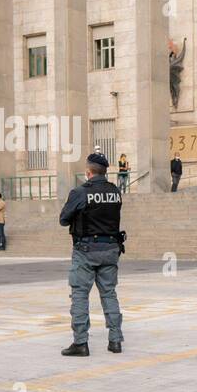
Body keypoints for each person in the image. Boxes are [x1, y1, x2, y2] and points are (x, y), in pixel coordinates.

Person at [58, 152, 124, 357]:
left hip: (86, 250)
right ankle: (115, 340)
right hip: (111, 248)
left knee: (79, 294)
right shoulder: (115, 191)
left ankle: (80, 343)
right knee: (109, 294)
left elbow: (63, 219)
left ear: (88, 172)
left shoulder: (80, 192)